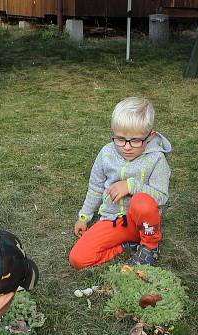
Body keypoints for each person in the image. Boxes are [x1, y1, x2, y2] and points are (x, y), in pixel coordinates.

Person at [69, 96, 172, 269]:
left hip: (142, 223)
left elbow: (161, 197)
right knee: (78, 259)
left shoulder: (157, 159)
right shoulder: (106, 153)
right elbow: (95, 187)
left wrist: (131, 186)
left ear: (150, 136)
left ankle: (150, 247)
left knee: (143, 203)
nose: (127, 147)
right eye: (120, 139)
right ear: (113, 132)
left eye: (136, 140)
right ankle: (126, 246)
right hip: (113, 220)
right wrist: (84, 217)